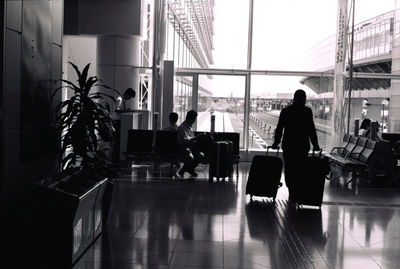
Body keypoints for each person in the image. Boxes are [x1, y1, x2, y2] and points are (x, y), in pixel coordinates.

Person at [271, 89, 320, 201]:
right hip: (302, 145)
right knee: (300, 168)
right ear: (303, 99)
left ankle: (291, 189)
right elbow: (311, 129)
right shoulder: (307, 111)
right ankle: (297, 190)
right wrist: (315, 144)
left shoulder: (286, 111)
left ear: (294, 98)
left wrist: (276, 142)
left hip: (289, 145)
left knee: (289, 168)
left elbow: (279, 128)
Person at [176, 110, 204, 177]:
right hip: (182, 148)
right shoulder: (181, 128)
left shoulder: (189, 127)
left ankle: (190, 169)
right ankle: (182, 171)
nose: (194, 121)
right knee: (190, 157)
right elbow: (184, 141)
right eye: (194, 119)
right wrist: (196, 138)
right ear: (189, 118)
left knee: (201, 155)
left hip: (189, 147)